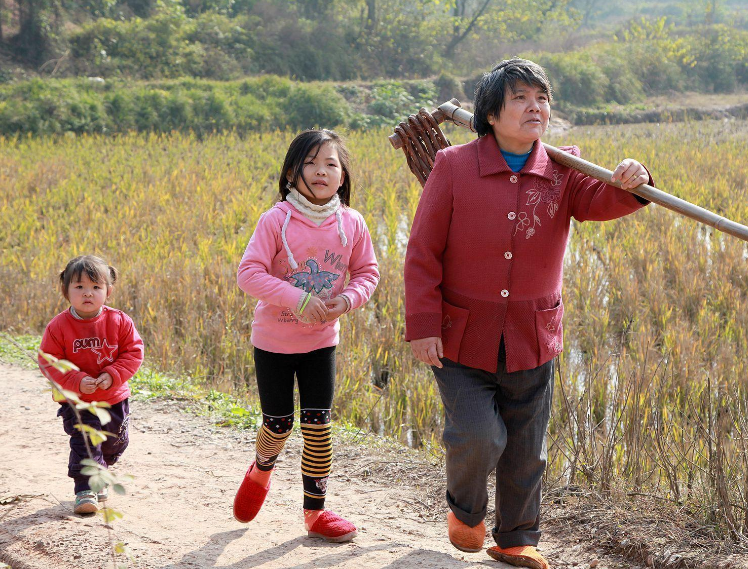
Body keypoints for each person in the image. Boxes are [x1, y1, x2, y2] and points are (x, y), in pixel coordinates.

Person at [404, 58, 652, 568]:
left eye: (542, 98)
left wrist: (634, 179)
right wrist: (423, 326)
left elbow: (605, 201)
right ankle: (465, 511)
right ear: (490, 114)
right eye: (520, 98)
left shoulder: (566, 169)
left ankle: (515, 537)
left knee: (525, 447)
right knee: (478, 434)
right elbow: (422, 251)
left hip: (532, 336)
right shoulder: (453, 166)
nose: (534, 106)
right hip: (461, 336)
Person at [233, 129, 379, 543]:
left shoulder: (351, 222)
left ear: (343, 176)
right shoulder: (275, 220)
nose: (321, 171)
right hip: (274, 342)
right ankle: (261, 468)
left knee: (318, 426)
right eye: (311, 163)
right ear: (291, 173)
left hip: (321, 342)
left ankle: (314, 513)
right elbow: (249, 274)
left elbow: (368, 273)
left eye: (331, 164)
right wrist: (297, 299)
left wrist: (348, 300)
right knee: (278, 425)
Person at [38, 255, 144, 515]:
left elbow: (133, 352)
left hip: (113, 396)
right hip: (76, 400)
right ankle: (84, 489)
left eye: (96, 287)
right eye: (79, 287)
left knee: (113, 442)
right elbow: (49, 361)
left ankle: (101, 470)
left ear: (108, 291)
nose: (88, 293)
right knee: (85, 439)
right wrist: (75, 381)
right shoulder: (59, 326)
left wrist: (113, 374)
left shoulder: (119, 321)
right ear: (66, 291)